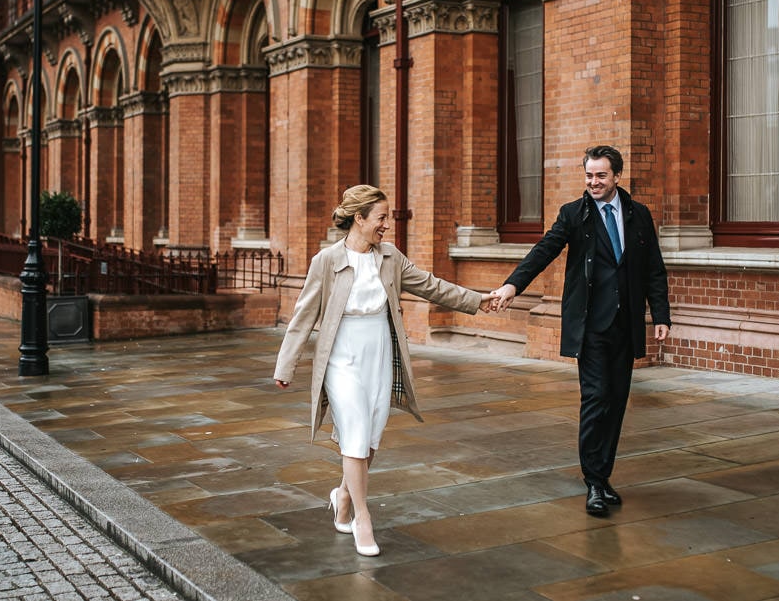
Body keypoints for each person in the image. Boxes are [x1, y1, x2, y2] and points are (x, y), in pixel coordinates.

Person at [274, 184, 497, 557]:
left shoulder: (390, 257)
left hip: (378, 350)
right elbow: (303, 318)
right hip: (342, 354)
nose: (387, 226)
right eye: (381, 218)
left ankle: (343, 495)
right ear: (359, 219)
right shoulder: (326, 261)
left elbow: (431, 285)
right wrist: (286, 364)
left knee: (369, 438)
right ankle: (362, 516)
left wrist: (478, 300)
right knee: (356, 430)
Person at [492, 145, 671, 517]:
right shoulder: (574, 214)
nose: (593, 182)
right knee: (596, 398)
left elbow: (654, 269)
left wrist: (662, 316)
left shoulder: (639, 215)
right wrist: (512, 286)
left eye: (601, 175)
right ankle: (593, 481)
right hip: (590, 326)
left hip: (626, 325)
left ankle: (603, 476)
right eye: (589, 175)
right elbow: (544, 250)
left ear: (617, 176)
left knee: (617, 402)